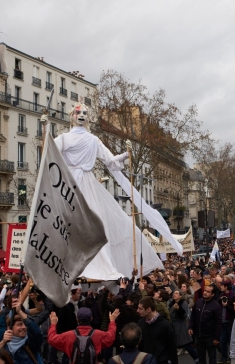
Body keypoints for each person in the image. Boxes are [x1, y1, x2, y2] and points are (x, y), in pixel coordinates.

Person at [52, 103, 163, 279]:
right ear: (72, 115)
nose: (81, 115)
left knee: (95, 222)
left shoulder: (93, 140)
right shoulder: (64, 139)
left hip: (86, 184)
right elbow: (50, 154)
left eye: (85, 113)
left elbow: (110, 160)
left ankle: (97, 263)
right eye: (78, 112)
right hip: (69, 182)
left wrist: (126, 154)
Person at [48, 307, 120, 363]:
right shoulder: (98, 334)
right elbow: (111, 336)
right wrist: (112, 321)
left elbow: (52, 339)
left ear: (77, 319)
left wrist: (53, 324)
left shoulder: (69, 335)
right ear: (91, 319)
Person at [0, 298, 43, 364]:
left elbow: (36, 332)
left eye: (24, 324)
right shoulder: (5, 344)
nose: (24, 327)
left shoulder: (31, 343)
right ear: (9, 328)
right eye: (19, 324)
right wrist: (3, 342)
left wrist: (20, 312)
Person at [137, 297, 178, 364]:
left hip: (161, 361)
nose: (137, 310)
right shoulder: (141, 322)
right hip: (146, 360)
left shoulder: (165, 325)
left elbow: (172, 347)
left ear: (149, 309)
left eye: (140, 309)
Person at [189, 285, 221, 364]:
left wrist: (216, 337)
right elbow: (193, 316)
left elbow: (218, 323)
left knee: (212, 358)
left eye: (208, 292)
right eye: (205, 291)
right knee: (201, 358)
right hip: (199, 336)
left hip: (210, 337)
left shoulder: (216, 306)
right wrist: (190, 327)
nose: (205, 293)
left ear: (212, 294)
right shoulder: (198, 302)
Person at [168, 290, 197, 361]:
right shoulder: (171, 303)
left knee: (187, 345)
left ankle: (197, 359)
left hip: (181, 326)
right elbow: (170, 314)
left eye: (176, 293)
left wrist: (178, 309)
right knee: (172, 346)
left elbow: (184, 315)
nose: (174, 294)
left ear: (180, 296)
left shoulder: (183, 303)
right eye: (174, 293)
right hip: (173, 326)